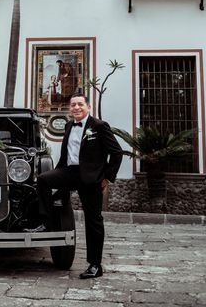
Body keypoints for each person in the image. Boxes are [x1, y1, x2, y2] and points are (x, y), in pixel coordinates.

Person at [27, 94, 123, 279]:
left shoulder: (99, 126)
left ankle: (95, 265)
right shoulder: (69, 125)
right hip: (69, 172)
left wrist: (107, 178)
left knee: (93, 220)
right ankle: (46, 222)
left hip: (91, 178)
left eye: (80, 104)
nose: (76, 107)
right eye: (73, 105)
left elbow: (116, 153)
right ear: (69, 108)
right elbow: (67, 153)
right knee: (43, 180)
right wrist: (58, 172)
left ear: (88, 106)